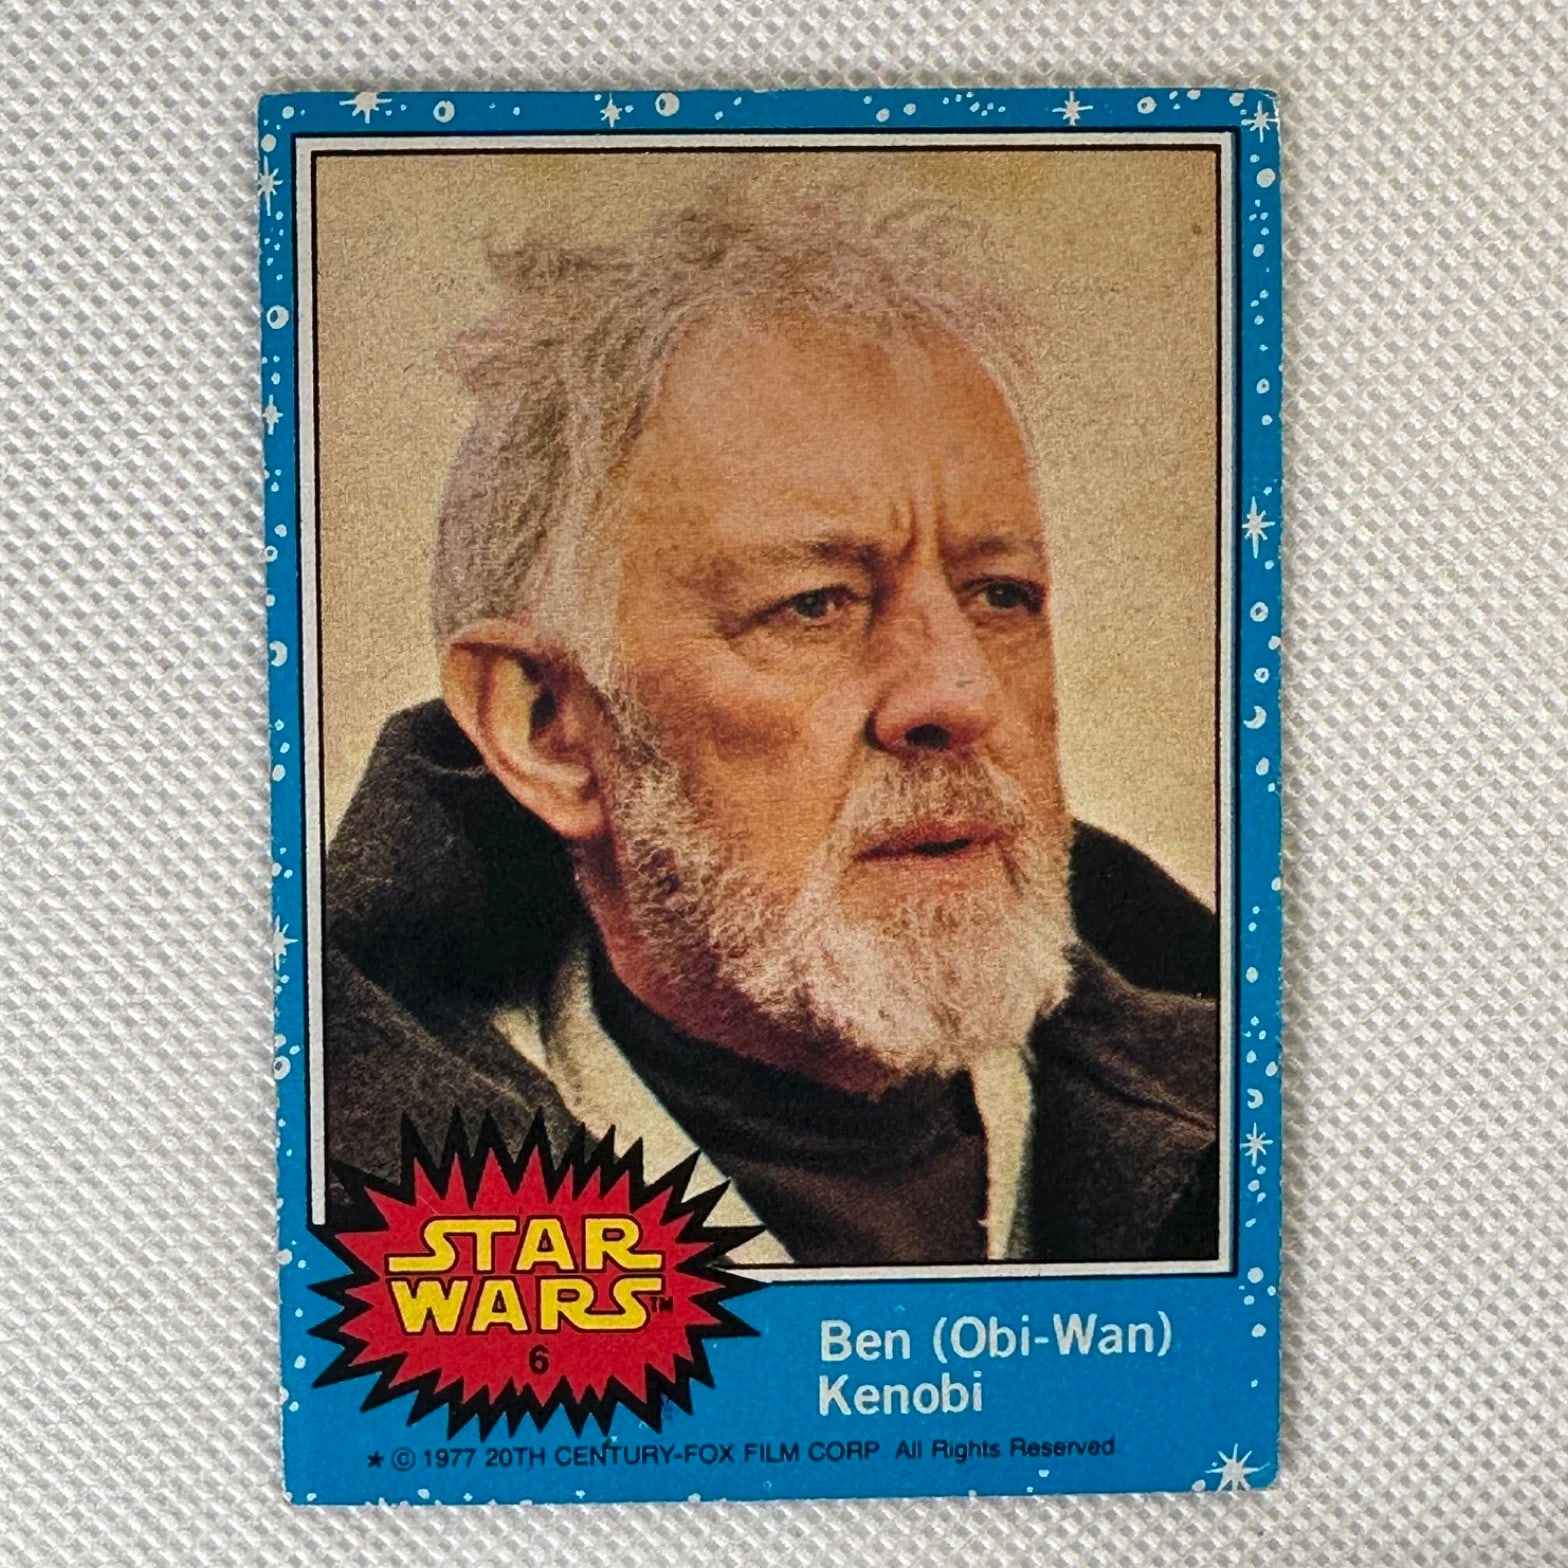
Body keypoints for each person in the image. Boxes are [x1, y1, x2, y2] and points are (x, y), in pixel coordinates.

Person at [323, 173, 1220, 1268]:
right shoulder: (316, 1200)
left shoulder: (1254, 1103)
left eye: (1000, 596)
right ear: (547, 727)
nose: (957, 694)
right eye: (814, 605)